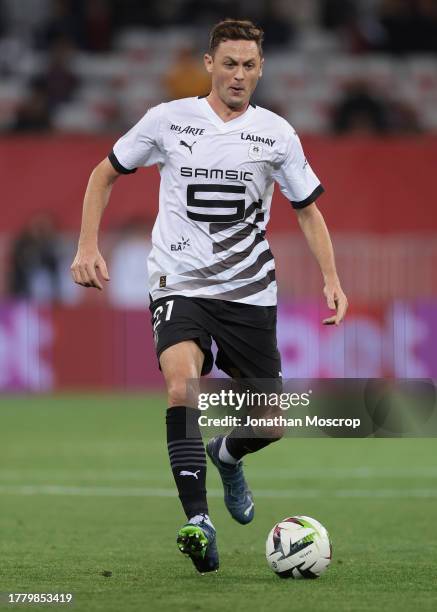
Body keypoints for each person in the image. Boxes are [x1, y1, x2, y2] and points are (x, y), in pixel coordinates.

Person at [71, 19, 348, 574]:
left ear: (261, 69)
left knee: (271, 419)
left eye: (248, 65)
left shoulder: (277, 134)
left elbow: (308, 211)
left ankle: (226, 454)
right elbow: (103, 174)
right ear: (209, 64)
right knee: (182, 385)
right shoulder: (168, 120)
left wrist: (332, 279)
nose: (238, 75)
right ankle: (197, 520)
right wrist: (86, 245)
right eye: (229, 64)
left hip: (248, 290)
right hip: (180, 282)